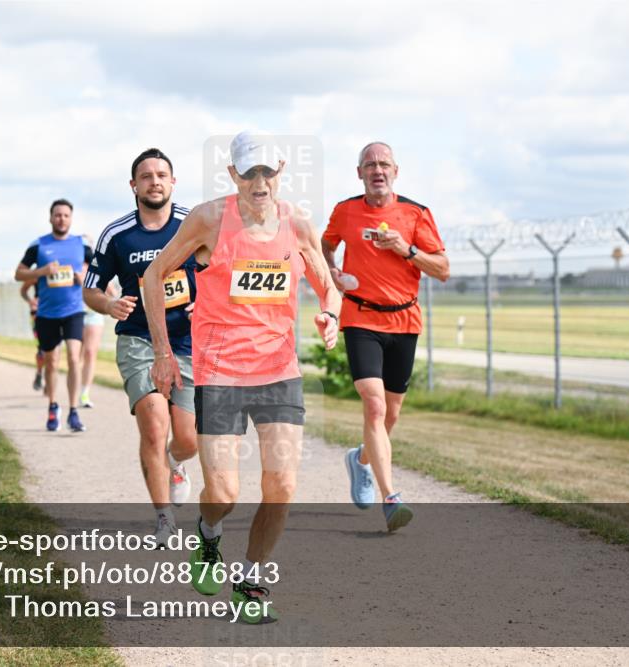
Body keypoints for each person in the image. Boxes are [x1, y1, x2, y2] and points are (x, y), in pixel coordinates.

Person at [143, 132, 340, 622]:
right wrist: (164, 353)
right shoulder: (209, 219)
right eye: (248, 172)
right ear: (232, 175)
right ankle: (208, 535)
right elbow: (153, 277)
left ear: (280, 170)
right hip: (220, 371)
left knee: (282, 485)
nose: (259, 182)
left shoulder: (296, 223)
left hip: (278, 371)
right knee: (225, 493)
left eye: (266, 172)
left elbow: (326, 284)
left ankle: (251, 579)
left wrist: (330, 315)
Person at [321, 141, 450, 532]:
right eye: (369, 165)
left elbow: (443, 269)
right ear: (359, 173)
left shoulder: (416, 213)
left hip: (404, 322)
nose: (377, 170)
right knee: (375, 407)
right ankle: (391, 498)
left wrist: (405, 248)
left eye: (384, 164)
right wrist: (333, 275)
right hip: (361, 318)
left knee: (390, 414)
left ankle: (361, 460)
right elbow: (325, 245)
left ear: (396, 171)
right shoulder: (345, 211)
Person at [84, 148, 199, 546]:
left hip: (186, 341)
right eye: (146, 176)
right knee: (154, 426)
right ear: (133, 185)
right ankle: (164, 517)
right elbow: (90, 290)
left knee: (188, 439)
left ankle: (176, 465)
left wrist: (209, 300)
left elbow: (221, 268)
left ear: (173, 181)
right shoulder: (118, 235)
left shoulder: (193, 225)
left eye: (162, 174)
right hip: (138, 339)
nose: (155, 181)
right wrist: (109, 304)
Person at [15, 199, 89, 433]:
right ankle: (53, 405)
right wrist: (41, 272)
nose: (61, 219)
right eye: (57, 215)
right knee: (52, 362)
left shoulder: (81, 244)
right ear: (50, 218)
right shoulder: (39, 245)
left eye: (65, 215)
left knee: (74, 359)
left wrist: (83, 277)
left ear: (71, 218)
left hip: (74, 310)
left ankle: (74, 410)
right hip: (47, 313)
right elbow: (19, 273)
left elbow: (98, 270)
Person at [78, 235, 115, 408]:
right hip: (75, 313)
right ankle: (73, 386)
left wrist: (110, 301)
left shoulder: (97, 267)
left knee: (90, 353)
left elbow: (111, 291)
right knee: (76, 355)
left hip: (93, 314)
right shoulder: (71, 266)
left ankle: (85, 393)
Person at [20, 278, 47, 392]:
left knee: (54, 349)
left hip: (58, 312)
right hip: (38, 313)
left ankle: (49, 379)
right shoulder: (38, 273)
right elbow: (23, 290)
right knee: (41, 349)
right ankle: (40, 373)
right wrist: (31, 301)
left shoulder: (65, 268)